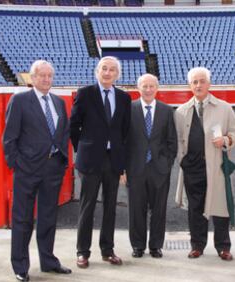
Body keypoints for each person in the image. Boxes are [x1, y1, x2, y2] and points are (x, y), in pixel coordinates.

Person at [3, 60, 71, 281]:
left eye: (50, 76)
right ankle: (20, 267)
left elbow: (62, 133)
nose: (46, 79)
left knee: (48, 217)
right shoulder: (20, 100)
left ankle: (48, 261)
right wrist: (16, 164)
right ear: (32, 78)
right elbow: (9, 137)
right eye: (41, 75)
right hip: (27, 169)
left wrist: (61, 159)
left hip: (53, 168)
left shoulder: (59, 102)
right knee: (22, 218)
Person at [175, 67, 235, 261]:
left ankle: (223, 247)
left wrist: (227, 140)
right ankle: (197, 245)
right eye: (194, 82)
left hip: (217, 167)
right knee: (195, 209)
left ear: (209, 83)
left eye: (202, 81)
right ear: (190, 85)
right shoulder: (181, 111)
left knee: (221, 207)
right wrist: (183, 161)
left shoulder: (224, 107)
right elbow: (178, 140)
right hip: (192, 169)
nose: (198, 85)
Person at [70, 56, 131, 268]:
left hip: (113, 160)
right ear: (97, 72)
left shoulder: (124, 98)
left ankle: (107, 250)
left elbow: (124, 130)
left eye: (112, 69)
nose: (107, 73)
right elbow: (73, 125)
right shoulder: (85, 94)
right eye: (104, 69)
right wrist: (82, 149)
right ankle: (82, 252)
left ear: (117, 74)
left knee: (110, 207)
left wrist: (121, 162)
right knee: (87, 206)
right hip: (90, 160)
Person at [124, 73, 177, 258]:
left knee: (159, 209)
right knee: (136, 209)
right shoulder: (128, 109)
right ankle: (138, 246)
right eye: (144, 86)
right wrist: (124, 168)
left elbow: (172, 141)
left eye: (151, 86)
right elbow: (123, 141)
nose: (148, 90)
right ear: (138, 88)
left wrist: (167, 163)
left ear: (157, 88)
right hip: (135, 168)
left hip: (159, 169)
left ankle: (156, 246)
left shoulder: (167, 110)